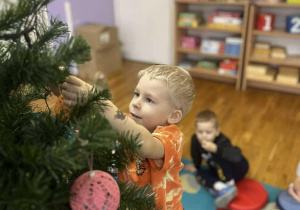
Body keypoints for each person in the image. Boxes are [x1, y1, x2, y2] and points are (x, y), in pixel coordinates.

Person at [59, 65, 195, 209]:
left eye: (149, 100)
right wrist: (62, 84)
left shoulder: (173, 138)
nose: (136, 103)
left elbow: (144, 144)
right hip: (127, 200)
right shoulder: (128, 123)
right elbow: (95, 118)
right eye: (136, 94)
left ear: (173, 116)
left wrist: (101, 104)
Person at [184, 109, 249, 208]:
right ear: (195, 130)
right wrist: (196, 165)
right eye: (200, 132)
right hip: (219, 171)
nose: (203, 135)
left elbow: (235, 157)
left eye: (208, 132)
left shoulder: (222, 140)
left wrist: (216, 149)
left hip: (238, 169)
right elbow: (195, 153)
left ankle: (228, 185)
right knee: (200, 173)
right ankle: (221, 188)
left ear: (217, 131)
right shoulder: (195, 140)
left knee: (220, 157)